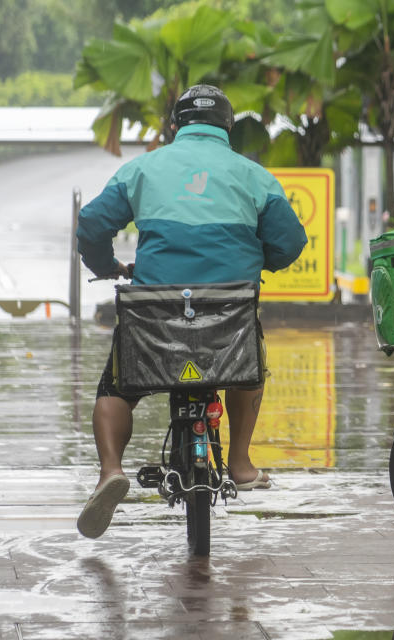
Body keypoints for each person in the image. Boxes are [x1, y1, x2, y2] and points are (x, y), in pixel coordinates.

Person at [74, 84, 307, 539]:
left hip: (153, 313)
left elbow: (91, 224)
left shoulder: (142, 168)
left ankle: (110, 473)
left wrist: (106, 266)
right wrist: (263, 261)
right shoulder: (253, 175)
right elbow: (290, 242)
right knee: (249, 364)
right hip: (231, 313)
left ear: (176, 127)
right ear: (227, 128)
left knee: (116, 387)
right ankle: (239, 463)